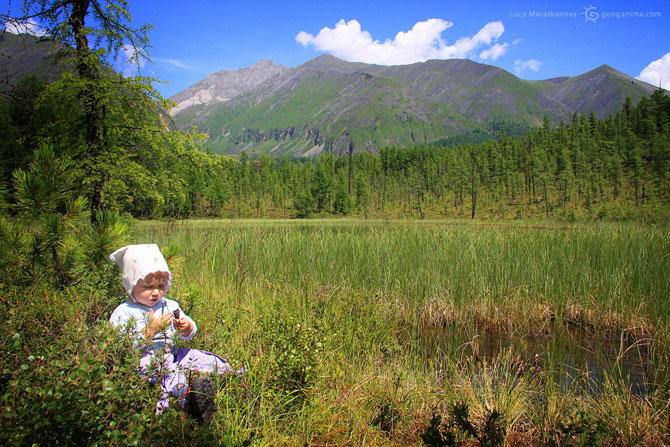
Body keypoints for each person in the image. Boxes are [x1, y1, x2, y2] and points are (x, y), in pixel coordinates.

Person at [108, 243, 236, 421]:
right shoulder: (124, 311)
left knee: (206, 360)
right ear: (131, 285)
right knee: (170, 375)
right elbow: (121, 345)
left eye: (160, 286)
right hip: (145, 359)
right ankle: (184, 402)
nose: (155, 293)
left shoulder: (169, 305)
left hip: (173, 353)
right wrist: (150, 330)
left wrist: (187, 327)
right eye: (147, 287)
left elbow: (189, 331)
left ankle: (215, 381)